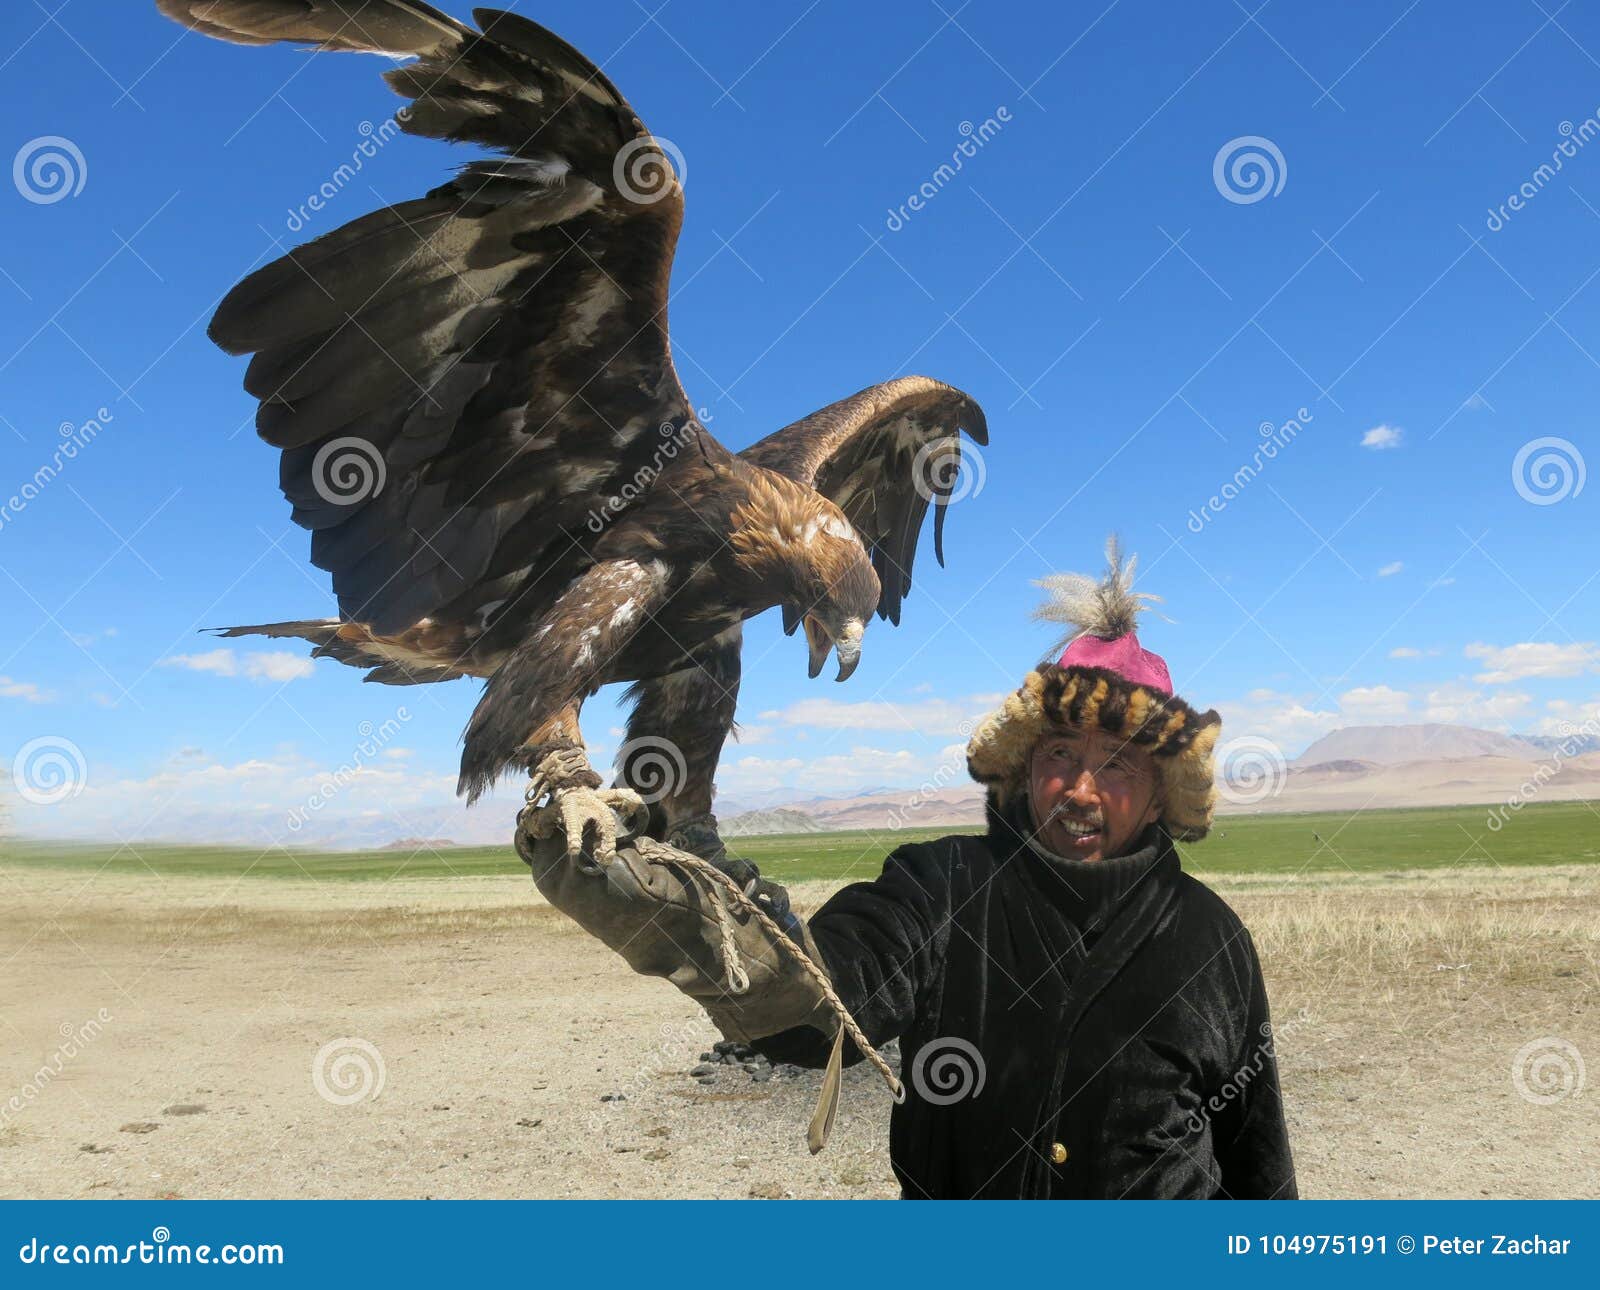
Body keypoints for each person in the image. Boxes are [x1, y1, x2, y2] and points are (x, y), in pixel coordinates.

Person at [521, 538, 1297, 1200]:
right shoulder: (942, 889)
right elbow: (820, 1006)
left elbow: (1257, 1158)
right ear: (1024, 769)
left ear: (1162, 795)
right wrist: (692, 916)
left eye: (1119, 765)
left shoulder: (1210, 939)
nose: (1082, 789)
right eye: (1060, 753)